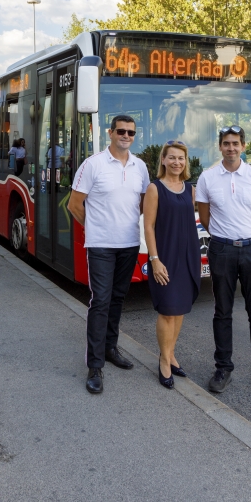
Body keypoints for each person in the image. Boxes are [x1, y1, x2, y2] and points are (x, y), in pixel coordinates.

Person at [196, 125, 251, 398]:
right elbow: (205, 217)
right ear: (220, 147)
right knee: (222, 311)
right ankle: (223, 368)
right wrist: (225, 238)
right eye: (226, 143)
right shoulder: (208, 178)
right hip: (221, 250)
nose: (231, 148)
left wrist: (250, 239)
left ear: (243, 147)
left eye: (235, 143)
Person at [68, 115, 150, 394]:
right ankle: (95, 365)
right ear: (111, 133)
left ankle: (111, 349)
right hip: (101, 246)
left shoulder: (140, 166)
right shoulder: (93, 164)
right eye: (121, 131)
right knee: (100, 301)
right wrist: (95, 227)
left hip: (129, 244)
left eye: (131, 132)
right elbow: (74, 204)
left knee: (117, 298)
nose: (126, 135)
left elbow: (141, 204)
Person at [144, 141, 201, 389]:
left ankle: (170, 353)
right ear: (164, 161)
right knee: (167, 311)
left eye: (182, 158)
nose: (177, 162)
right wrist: (155, 260)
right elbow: (148, 226)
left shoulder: (190, 189)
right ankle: (164, 362)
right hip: (165, 257)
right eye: (173, 158)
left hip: (188, 256)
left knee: (179, 311)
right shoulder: (155, 189)